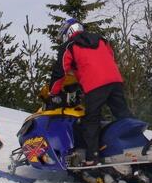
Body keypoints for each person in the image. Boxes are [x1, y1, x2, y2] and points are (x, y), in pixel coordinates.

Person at [50, 18, 132, 166]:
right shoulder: (101, 39)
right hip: (115, 80)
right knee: (122, 114)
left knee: (91, 120)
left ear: (68, 32)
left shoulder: (69, 45)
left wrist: (53, 93)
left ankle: (92, 158)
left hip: (95, 85)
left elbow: (60, 72)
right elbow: (110, 56)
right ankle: (133, 144)